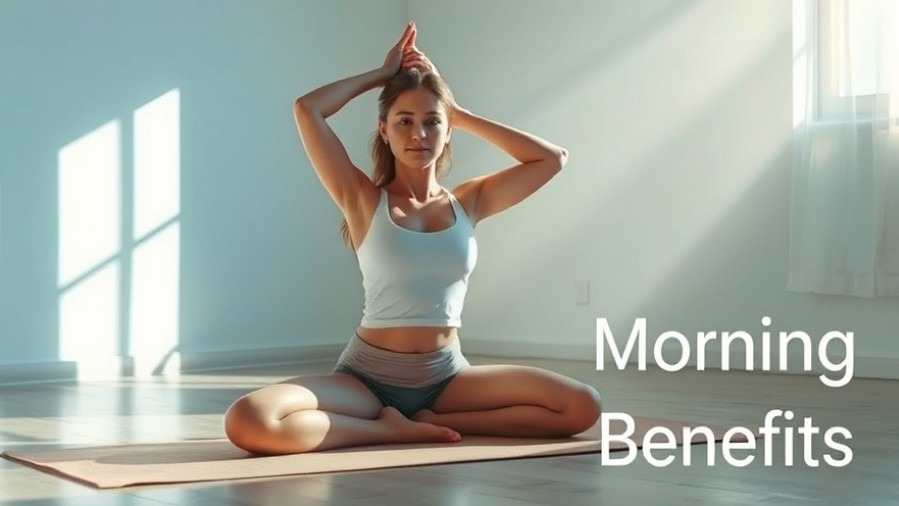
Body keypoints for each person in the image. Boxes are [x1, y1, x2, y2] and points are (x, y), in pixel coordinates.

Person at [224, 22, 602, 455]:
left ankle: (433, 422)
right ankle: (387, 431)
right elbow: (307, 109)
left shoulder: (470, 201)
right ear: (384, 129)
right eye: (404, 121)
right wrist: (379, 76)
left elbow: (551, 159)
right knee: (249, 419)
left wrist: (459, 112)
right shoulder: (364, 199)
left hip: (448, 379)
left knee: (582, 406)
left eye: (431, 122)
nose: (419, 134)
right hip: (365, 380)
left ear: (447, 130)